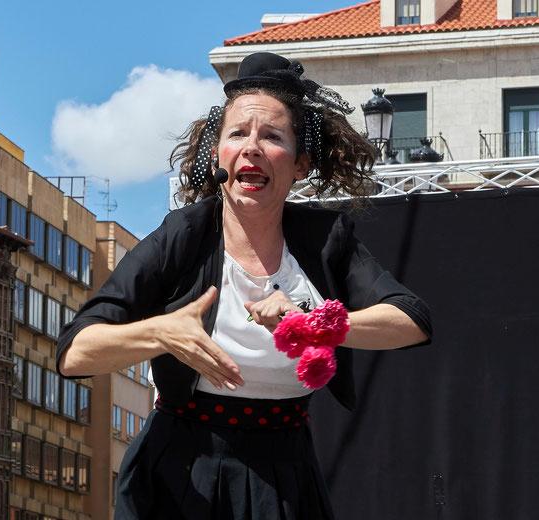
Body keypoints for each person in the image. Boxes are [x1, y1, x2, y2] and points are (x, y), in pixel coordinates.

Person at [56, 52, 432, 519]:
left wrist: (314, 324)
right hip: (180, 472)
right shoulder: (182, 235)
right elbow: (74, 354)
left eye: (272, 136)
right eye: (237, 134)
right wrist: (160, 333)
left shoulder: (323, 239)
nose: (251, 147)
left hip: (285, 472)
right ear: (217, 154)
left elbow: (411, 320)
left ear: (300, 164)